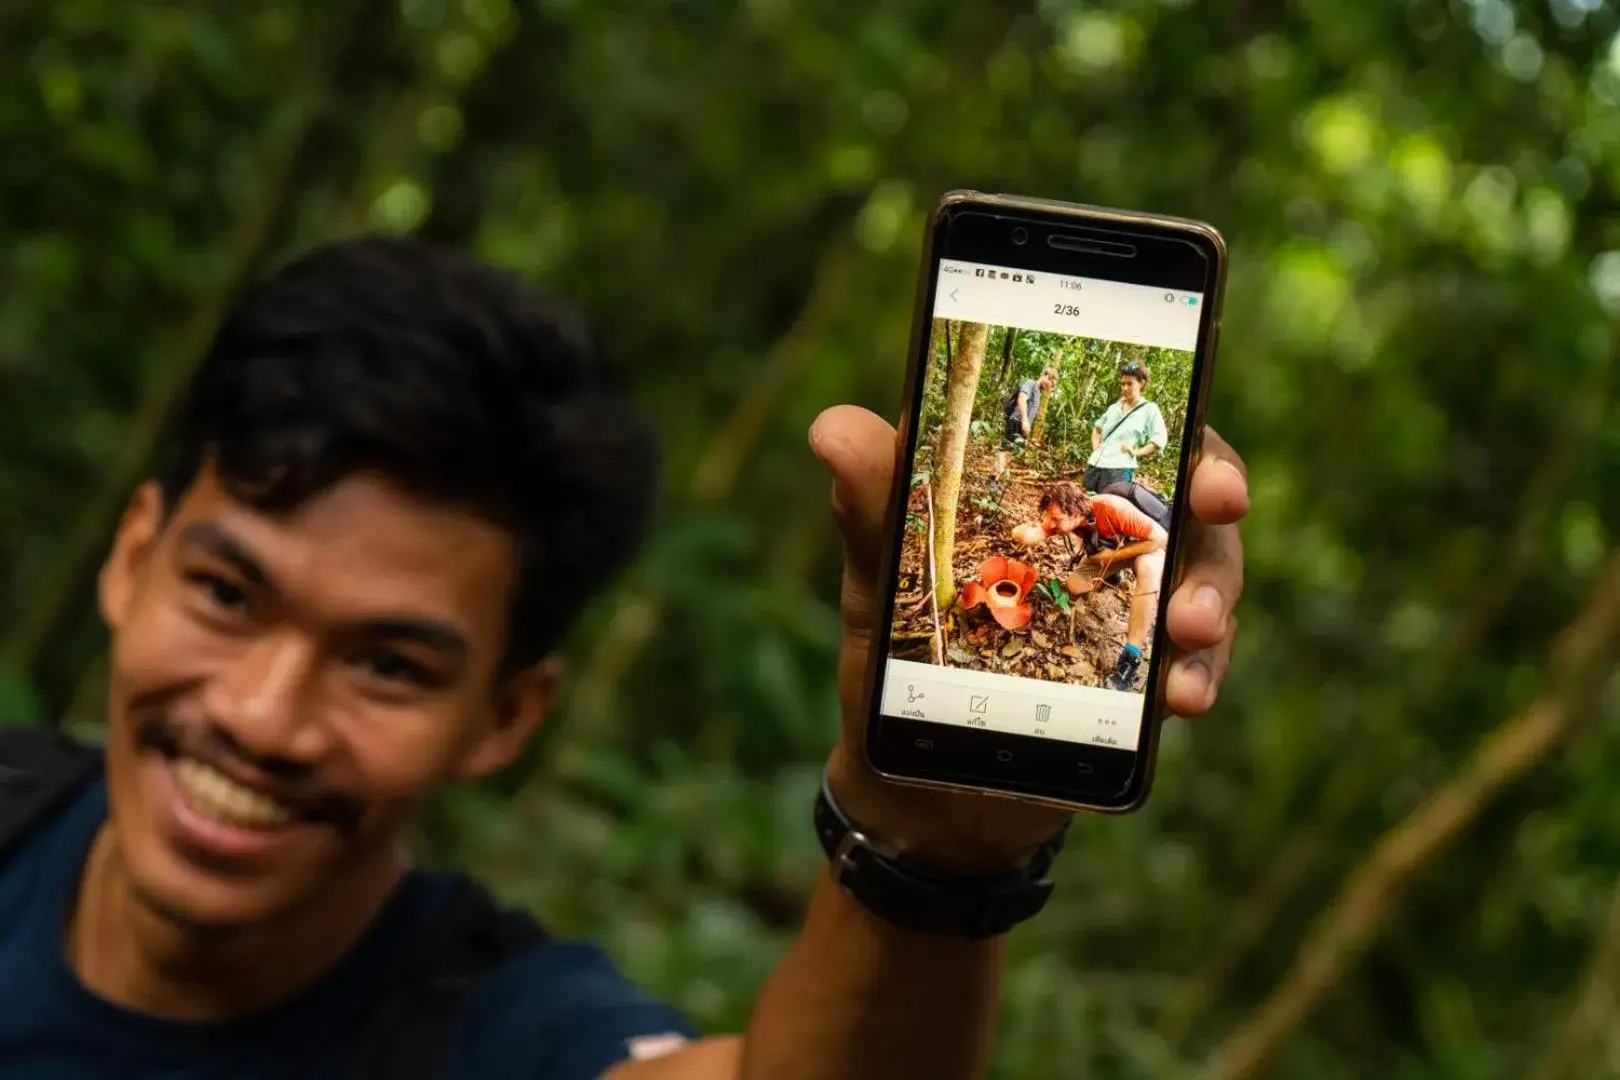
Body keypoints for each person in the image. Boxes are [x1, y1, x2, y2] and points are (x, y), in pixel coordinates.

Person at [0, 236, 1249, 1079]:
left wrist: (939, 849)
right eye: (227, 594)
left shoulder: (493, 1031)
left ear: (507, 715)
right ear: (130, 558)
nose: (264, 716)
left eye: (389, 666)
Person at [1027, 481, 1168, 693]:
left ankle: (1131, 657)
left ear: (1074, 510)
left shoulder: (1112, 509)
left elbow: (1161, 538)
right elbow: (1026, 534)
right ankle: (1112, 576)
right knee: (1073, 586)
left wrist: (1112, 556)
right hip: (1112, 550)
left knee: (1148, 573)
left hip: (1146, 546)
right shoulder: (1069, 519)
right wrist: (1028, 533)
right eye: (1050, 518)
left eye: (1056, 519)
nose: (1052, 524)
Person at [1083, 358, 1169, 493]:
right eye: (1122, 384)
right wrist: (1096, 449)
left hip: (1119, 468)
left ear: (1142, 383)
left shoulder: (1149, 409)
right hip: (1095, 465)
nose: (1124, 388)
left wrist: (1136, 452)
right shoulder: (1114, 407)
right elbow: (1097, 428)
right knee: (1086, 504)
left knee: (1111, 508)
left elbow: (1159, 439)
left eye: (1130, 384)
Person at [991, 365, 1057, 492]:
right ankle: (992, 478)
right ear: (1046, 376)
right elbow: (1022, 399)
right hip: (1016, 421)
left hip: (1022, 427)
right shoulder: (1030, 384)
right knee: (1004, 451)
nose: (1050, 386)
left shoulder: (1038, 392)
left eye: (1052, 385)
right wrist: (1025, 420)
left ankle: (997, 480)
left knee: (1010, 453)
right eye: (1050, 382)